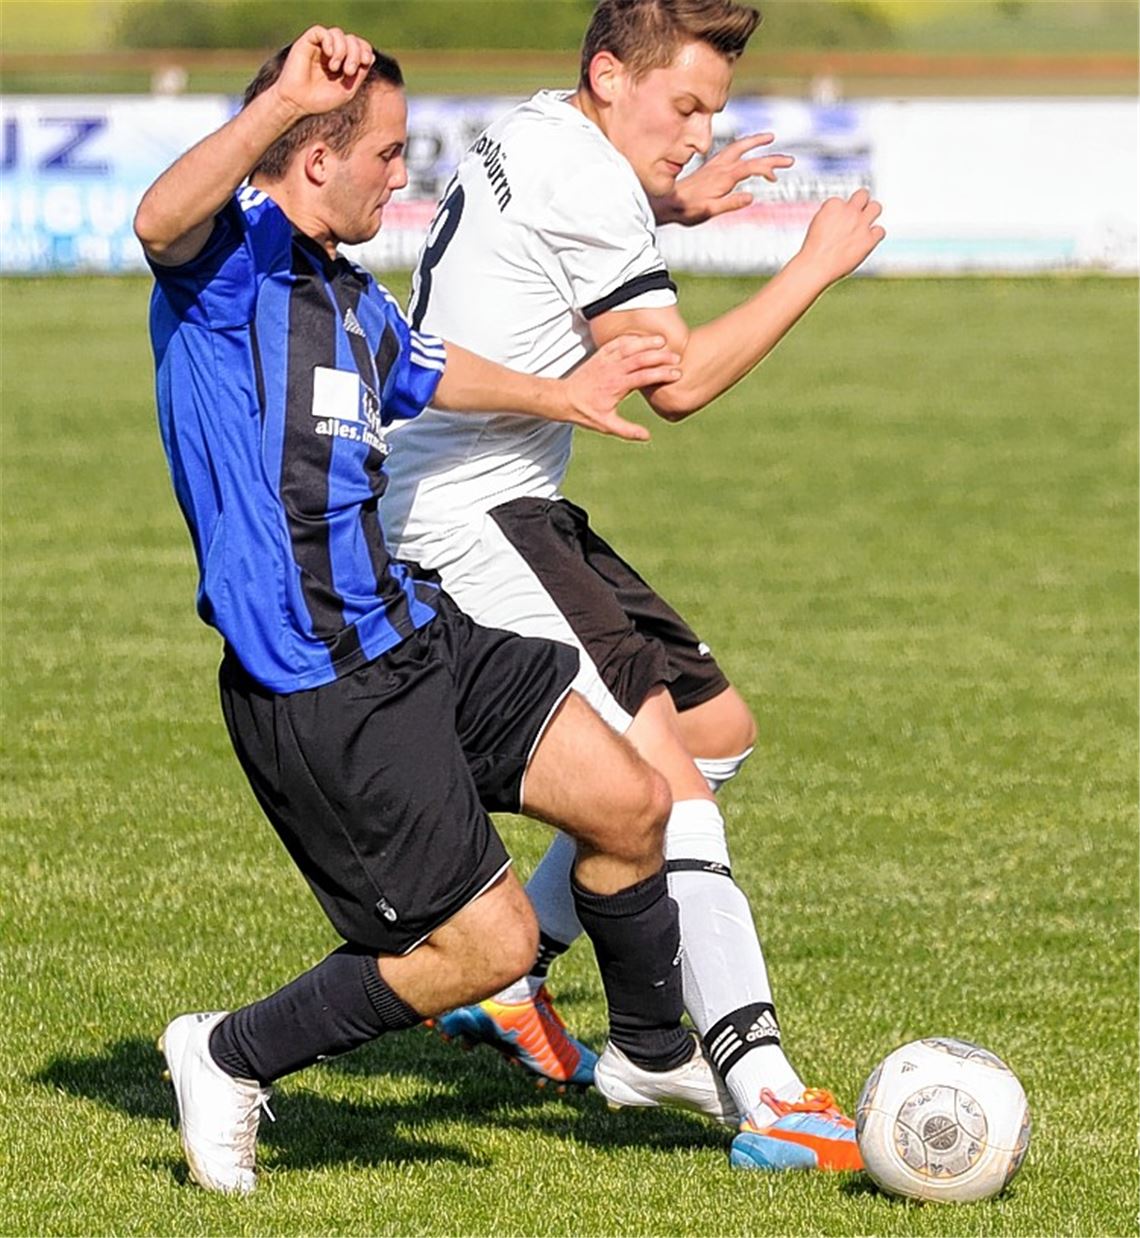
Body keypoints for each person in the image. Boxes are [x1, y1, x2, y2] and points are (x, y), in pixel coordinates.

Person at [135, 24, 742, 1195]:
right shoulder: (224, 273)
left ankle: (652, 1054)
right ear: (316, 158)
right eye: (388, 152)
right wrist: (275, 110)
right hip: (320, 683)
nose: (402, 172)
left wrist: (562, 390)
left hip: (414, 634)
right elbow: (157, 220)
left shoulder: (351, 300)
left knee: (630, 798)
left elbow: (429, 366)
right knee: (488, 943)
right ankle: (226, 1052)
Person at [380, 0, 884, 1172]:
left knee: (716, 733)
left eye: (714, 111)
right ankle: (759, 1087)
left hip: (514, 499)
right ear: (610, 74)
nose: (701, 135)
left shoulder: (542, 129)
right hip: (469, 518)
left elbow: (564, 234)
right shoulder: (589, 181)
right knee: (670, 790)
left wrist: (669, 202)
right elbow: (681, 383)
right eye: (686, 108)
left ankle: (521, 971)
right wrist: (811, 265)